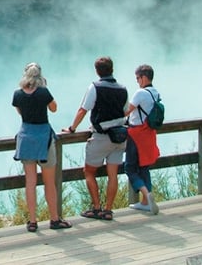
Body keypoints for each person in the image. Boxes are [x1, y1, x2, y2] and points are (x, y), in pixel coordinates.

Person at [62, 56, 128, 221]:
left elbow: (84, 109)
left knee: (89, 171)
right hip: (120, 136)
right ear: (112, 69)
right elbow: (126, 111)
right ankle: (108, 210)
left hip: (101, 136)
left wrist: (72, 128)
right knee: (113, 174)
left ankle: (97, 208)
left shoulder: (95, 87)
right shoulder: (122, 88)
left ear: (97, 71)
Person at [12, 62, 73, 232]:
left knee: (30, 182)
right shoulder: (43, 92)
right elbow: (54, 108)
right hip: (44, 138)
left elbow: (20, 112)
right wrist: (44, 89)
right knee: (49, 182)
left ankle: (32, 221)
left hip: (26, 138)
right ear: (40, 76)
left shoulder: (18, 94)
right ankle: (54, 219)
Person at [125, 64, 161, 215]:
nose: (137, 81)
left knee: (130, 168)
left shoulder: (141, 93)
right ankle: (146, 203)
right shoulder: (156, 93)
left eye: (138, 78)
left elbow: (127, 111)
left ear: (144, 77)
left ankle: (146, 194)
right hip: (149, 134)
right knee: (144, 167)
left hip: (136, 135)